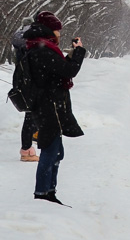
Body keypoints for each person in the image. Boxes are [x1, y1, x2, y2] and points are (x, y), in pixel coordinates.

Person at [22, 11, 85, 205]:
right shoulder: (42, 49)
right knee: (50, 151)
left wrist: (71, 55)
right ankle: (42, 194)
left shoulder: (40, 47)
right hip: (48, 107)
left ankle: (49, 192)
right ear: (50, 30)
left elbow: (57, 70)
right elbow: (68, 70)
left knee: (56, 152)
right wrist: (79, 52)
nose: (59, 34)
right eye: (57, 30)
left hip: (49, 105)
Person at [11, 27, 39, 161]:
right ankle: (26, 149)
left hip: (25, 85)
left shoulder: (21, 45)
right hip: (31, 86)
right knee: (31, 116)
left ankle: (30, 142)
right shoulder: (30, 47)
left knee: (32, 115)